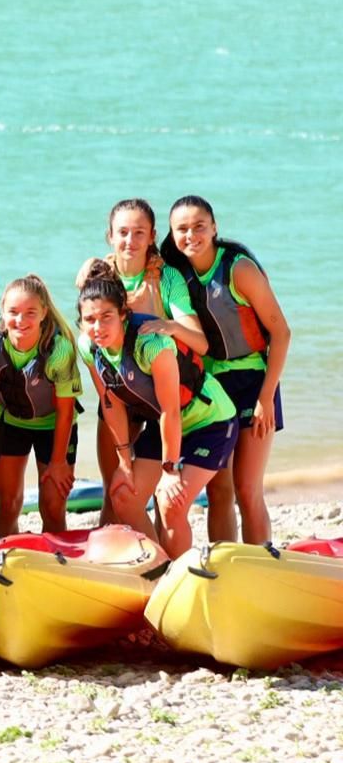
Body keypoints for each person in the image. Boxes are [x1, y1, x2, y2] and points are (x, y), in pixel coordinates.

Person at [76, 264, 238, 560]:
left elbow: (170, 411)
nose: (97, 327)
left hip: (209, 421)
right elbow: (110, 403)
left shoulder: (151, 344)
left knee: (170, 501)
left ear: (123, 315)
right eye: (89, 320)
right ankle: (161, 570)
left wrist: (170, 470)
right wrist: (125, 462)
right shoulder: (89, 347)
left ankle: (181, 578)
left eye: (106, 317)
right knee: (123, 496)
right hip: (167, 427)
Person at [160, 196, 292, 545]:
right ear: (172, 235)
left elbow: (281, 332)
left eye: (199, 226)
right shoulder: (175, 274)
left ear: (215, 227)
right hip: (212, 388)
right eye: (182, 229)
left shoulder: (239, 269)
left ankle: (263, 565)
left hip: (253, 381)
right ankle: (227, 565)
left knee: (247, 489)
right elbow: (130, 265)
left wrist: (266, 396)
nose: (191, 235)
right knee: (219, 489)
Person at [74, 198, 195, 525]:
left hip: (161, 393)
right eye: (122, 232)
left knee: (158, 492)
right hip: (119, 395)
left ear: (153, 235)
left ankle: (159, 553)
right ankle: (114, 558)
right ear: (110, 236)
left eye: (139, 232)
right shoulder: (98, 275)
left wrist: (168, 325)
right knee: (115, 485)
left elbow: (196, 338)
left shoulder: (165, 277)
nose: (130, 240)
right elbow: (88, 322)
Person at [0, 276, 82, 537]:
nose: (20, 321)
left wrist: (58, 463)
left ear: (44, 313)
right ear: (2, 310)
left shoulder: (59, 349)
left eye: (30, 313)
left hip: (53, 426)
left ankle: (56, 563)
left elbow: (66, 412)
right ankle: (3, 562)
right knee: (8, 505)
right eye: (13, 312)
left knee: (53, 506)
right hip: (7, 421)